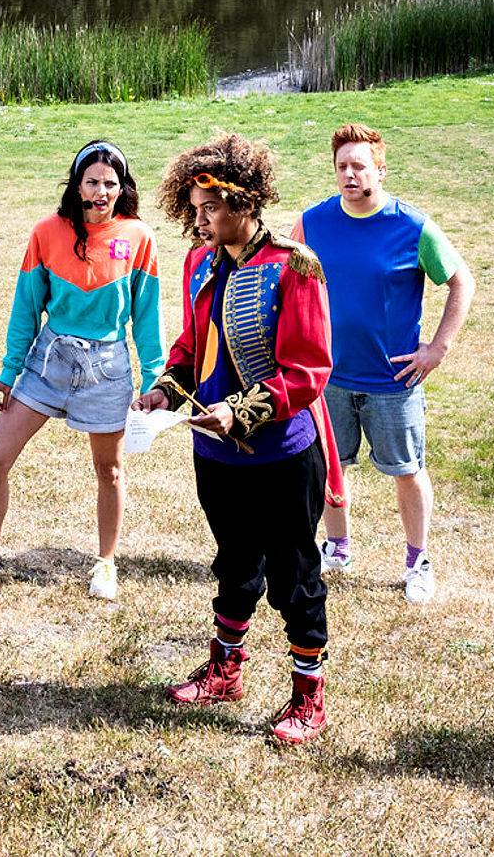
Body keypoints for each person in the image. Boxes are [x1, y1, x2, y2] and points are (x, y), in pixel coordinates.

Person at [133, 133, 342, 747]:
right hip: (213, 454)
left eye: (211, 208)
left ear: (245, 201)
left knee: (294, 571)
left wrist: (241, 412)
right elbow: (191, 347)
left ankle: (309, 698)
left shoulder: (295, 266)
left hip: (281, 455)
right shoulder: (198, 264)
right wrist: (166, 391)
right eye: (194, 209)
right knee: (233, 559)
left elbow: (307, 370)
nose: (200, 221)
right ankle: (226, 670)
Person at [0, 141, 163, 601]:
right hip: (48, 363)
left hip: (107, 367)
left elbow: (146, 318)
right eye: (92, 182)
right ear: (77, 185)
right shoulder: (47, 232)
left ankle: (106, 563)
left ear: (121, 188)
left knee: (109, 470)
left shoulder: (139, 237)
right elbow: (26, 308)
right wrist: (8, 372)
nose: (101, 192)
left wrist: (154, 377)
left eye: (110, 183)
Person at [298, 123, 474, 604]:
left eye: (359, 166)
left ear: (380, 168)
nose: (349, 175)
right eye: (341, 167)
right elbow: (290, 287)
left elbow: (462, 282)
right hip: (327, 378)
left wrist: (438, 349)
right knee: (330, 468)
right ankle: (337, 548)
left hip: (392, 381)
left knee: (407, 469)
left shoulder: (411, 226)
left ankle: (418, 560)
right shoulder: (312, 224)